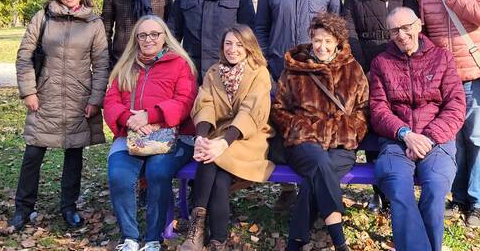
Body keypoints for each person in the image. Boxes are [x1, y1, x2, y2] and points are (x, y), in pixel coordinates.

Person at [12, 0, 109, 231]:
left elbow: (101, 65)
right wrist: (29, 91)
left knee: (73, 154)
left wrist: (96, 99)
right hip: (45, 97)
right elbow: (24, 56)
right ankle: (23, 208)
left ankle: (68, 207)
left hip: (79, 99)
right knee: (33, 152)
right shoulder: (43, 18)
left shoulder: (94, 23)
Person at [255, 0, 342, 209]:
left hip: (318, 73)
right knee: (283, 124)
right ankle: (286, 188)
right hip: (281, 71)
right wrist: (269, 60)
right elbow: (261, 28)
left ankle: (315, 185)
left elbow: (338, 28)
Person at [418, 0, 480, 228]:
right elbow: (423, 26)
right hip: (442, 77)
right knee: (452, 140)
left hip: (473, 72)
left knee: (476, 139)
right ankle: (459, 197)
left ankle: (479, 202)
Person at [370, 7, 465, 251]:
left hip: (437, 140)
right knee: (397, 186)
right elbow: (378, 110)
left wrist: (428, 139)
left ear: (419, 25)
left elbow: (455, 106)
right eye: (394, 31)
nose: (401, 35)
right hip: (396, 140)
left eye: (406, 27)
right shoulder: (382, 62)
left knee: (434, 187)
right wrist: (406, 135)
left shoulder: (442, 57)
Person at [271, 13, 369, 251]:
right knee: (319, 163)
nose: (322, 46)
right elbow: (279, 109)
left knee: (317, 176)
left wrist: (343, 131)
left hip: (340, 144)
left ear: (337, 41)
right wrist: (304, 129)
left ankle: (297, 241)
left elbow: (363, 110)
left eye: (327, 41)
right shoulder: (296, 68)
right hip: (303, 142)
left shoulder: (352, 68)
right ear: (311, 39)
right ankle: (339, 241)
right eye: (317, 40)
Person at [104, 15, 197, 251]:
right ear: (136, 39)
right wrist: (130, 119)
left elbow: (185, 101)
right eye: (142, 35)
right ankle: (130, 238)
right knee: (119, 176)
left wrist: (150, 115)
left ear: (164, 36)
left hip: (170, 135)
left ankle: (153, 238)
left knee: (158, 173)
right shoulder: (126, 65)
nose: (149, 39)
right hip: (131, 134)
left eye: (155, 34)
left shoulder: (179, 64)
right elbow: (112, 102)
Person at [179, 25, 275, 251]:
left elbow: (251, 111)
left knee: (211, 158)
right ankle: (215, 239)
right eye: (229, 43)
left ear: (249, 47)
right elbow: (205, 104)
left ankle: (197, 229)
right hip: (218, 135)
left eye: (239, 44)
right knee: (217, 172)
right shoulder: (214, 72)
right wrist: (201, 137)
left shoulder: (259, 72)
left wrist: (223, 142)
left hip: (249, 137)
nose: (233, 49)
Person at [342, 0, 418, 212]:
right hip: (364, 71)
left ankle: (396, 189)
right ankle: (378, 192)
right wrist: (364, 68)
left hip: (398, 68)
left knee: (394, 127)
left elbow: (411, 29)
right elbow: (348, 31)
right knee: (371, 126)